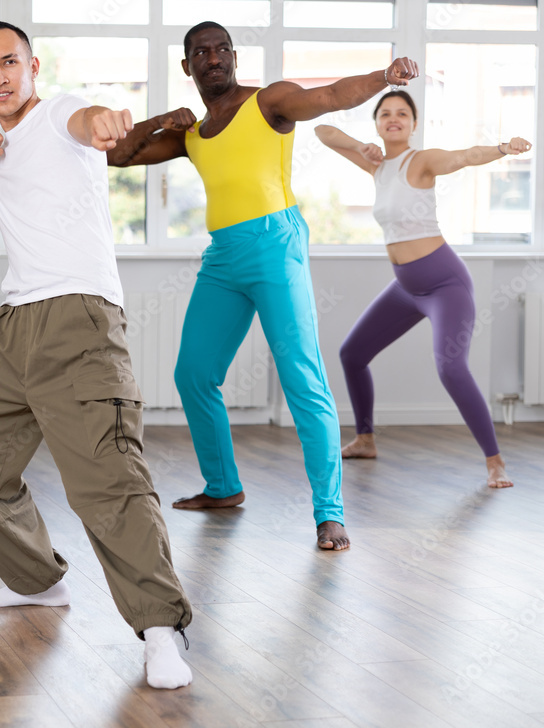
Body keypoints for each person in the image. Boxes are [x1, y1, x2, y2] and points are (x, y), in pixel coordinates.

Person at [0, 21, 193, 690]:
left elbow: (92, 123)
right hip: (13, 326)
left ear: (33, 66)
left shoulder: (61, 111)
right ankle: (38, 580)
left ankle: (161, 628)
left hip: (79, 316)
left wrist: (108, 122)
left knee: (107, 478)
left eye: (9, 61)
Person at [108, 21, 420, 551]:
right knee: (194, 373)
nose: (213, 58)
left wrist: (383, 77)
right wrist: (163, 119)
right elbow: (118, 155)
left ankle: (330, 514)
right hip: (223, 257)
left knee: (302, 377)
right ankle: (223, 487)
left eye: (221, 49)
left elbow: (330, 95)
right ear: (187, 67)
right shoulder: (190, 134)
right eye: (200, 52)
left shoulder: (268, 102)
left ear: (234, 56)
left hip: (276, 246)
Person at [315, 91, 530, 488]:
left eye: (402, 114)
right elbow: (322, 130)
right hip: (406, 287)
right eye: (385, 114)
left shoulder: (422, 160)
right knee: (352, 353)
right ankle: (365, 439)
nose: (393, 119)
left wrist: (503, 148)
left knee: (450, 367)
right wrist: (358, 145)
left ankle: (495, 461)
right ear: (377, 123)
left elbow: (464, 156)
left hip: (445, 283)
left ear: (414, 123)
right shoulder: (376, 165)